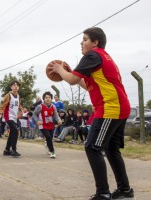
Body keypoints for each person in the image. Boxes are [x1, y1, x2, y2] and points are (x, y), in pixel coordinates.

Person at [49, 27, 134, 200]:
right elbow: (85, 84)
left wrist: (59, 69)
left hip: (111, 107)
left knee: (92, 147)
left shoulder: (93, 55)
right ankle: (125, 190)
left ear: (95, 43)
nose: (81, 42)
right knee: (111, 149)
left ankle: (103, 193)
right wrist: (70, 72)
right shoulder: (101, 57)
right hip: (119, 106)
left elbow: (71, 80)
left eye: (85, 39)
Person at [33, 91, 62, 158]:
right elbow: (34, 114)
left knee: (50, 138)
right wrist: (37, 121)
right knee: (48, 137)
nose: (48, 99)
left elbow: (56, 115)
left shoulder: (53, 107)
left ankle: (48, 144)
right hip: (42, 125)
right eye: (46, 97)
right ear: (44, 99)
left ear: (51, 99)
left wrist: (59, 120)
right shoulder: (40, 106)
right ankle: (52, 152)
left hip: (50, 125)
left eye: (49, 97)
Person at [0, 80, 23, 157]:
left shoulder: (18, 96)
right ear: (11, 87)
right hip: (8, 116)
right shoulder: (8, 96)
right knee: (15, 131)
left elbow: (18, 105)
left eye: (17, 86)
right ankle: (14, 150)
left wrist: (22, 110)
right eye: (14, 85)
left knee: (12, 132)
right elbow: (3, 105)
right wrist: (0, 113)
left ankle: (6, 150)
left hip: (14, 117)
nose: (16, 87)